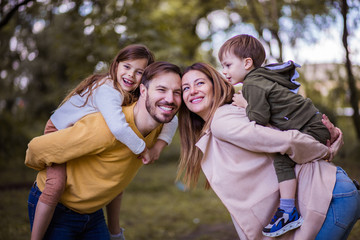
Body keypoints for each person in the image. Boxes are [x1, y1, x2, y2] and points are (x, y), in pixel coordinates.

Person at [177, 62, 360, 240]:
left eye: (199, 83)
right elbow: (286, 126)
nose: (192, 91)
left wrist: (325, 151)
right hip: (326, 195)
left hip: (327, 197)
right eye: (185, 88)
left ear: (215, 85)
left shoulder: (222, 121)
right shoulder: (222, 123)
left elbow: (286, 140)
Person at [29, 44, 179, 240]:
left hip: (92, 211)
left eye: (139, 72)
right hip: (58, 129)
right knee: (55, 185)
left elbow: (173, 118)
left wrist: (159, 146)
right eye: (126, 67)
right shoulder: (108, 90)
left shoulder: (138, 99)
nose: (131, 75)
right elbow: (117, 128)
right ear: (115, 65)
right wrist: (143, 149)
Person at [218, 34, 340, 237]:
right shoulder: (261, 78)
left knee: (283, 160)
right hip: (312, 123)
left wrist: (245, 105)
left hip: (310, 127)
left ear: (247, 63)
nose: (224, 71)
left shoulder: (252, 85)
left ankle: (287, 210)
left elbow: (258, 118)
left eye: (228, 65)